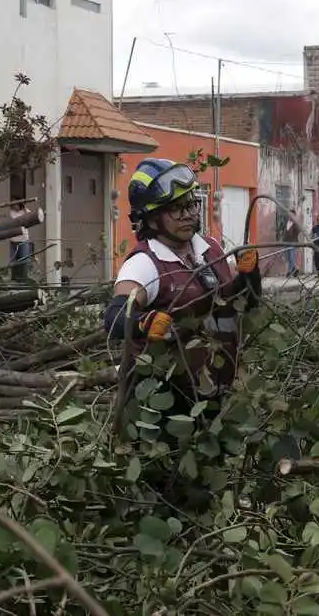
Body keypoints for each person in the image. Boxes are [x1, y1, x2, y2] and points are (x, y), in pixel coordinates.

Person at [104, 158, 262, 444]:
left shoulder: (211, 249)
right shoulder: (145, 264)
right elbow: (115, 316)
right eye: (176, 209)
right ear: (151, 218)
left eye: (190, 205)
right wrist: (143, 321)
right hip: (161, 409)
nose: (187, 214)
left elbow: (238, 305)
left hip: (215, 393)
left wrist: (249, 278)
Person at [8, 202, 33, 281]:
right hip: (14, 240)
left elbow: (31, 215)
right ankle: (14, 277)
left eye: (16, 204)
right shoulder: (11, 212)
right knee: (14, 259)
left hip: (24, 239)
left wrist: (25, 208)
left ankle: (24, 277)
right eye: (13, 204)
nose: (14, 206)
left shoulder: (24, 211)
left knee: (24, 258)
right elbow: (15, 220)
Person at [284, 208, 303, 276]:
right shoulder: (287, 222)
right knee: (288, 257)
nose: (289, 215)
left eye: (291, 214)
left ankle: (289, 272)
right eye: (289, 214)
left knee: (291, 257)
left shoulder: (295, 223)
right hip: (286, 242)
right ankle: (296, 269)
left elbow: (299, 231)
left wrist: (295, 222)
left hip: (292, 242)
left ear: (294, 215)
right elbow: (286, 232)